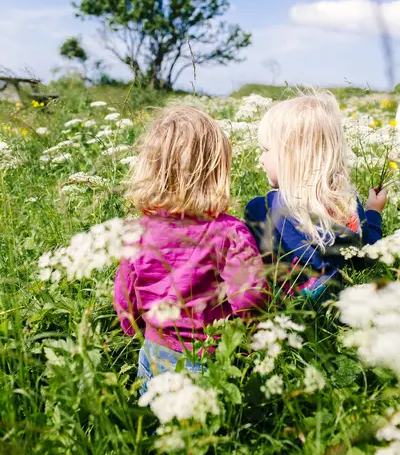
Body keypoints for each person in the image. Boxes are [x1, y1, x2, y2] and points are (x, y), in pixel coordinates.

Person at [114, 105, 268, 391]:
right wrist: (252, 334)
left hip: (153, 350)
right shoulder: (228, 231)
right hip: (208, 355)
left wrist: (135, 330)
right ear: (215, 171)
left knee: (155, 422)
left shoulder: (138, 231)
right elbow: (249, 297)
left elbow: (125, 296)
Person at [245, 91, 387, 300]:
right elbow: (366, 256)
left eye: (266, 150)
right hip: (341, 309)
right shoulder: (347, 205)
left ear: (291, 156)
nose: (260, 159)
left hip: (280, 311)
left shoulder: (260, 209)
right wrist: (373, 213)